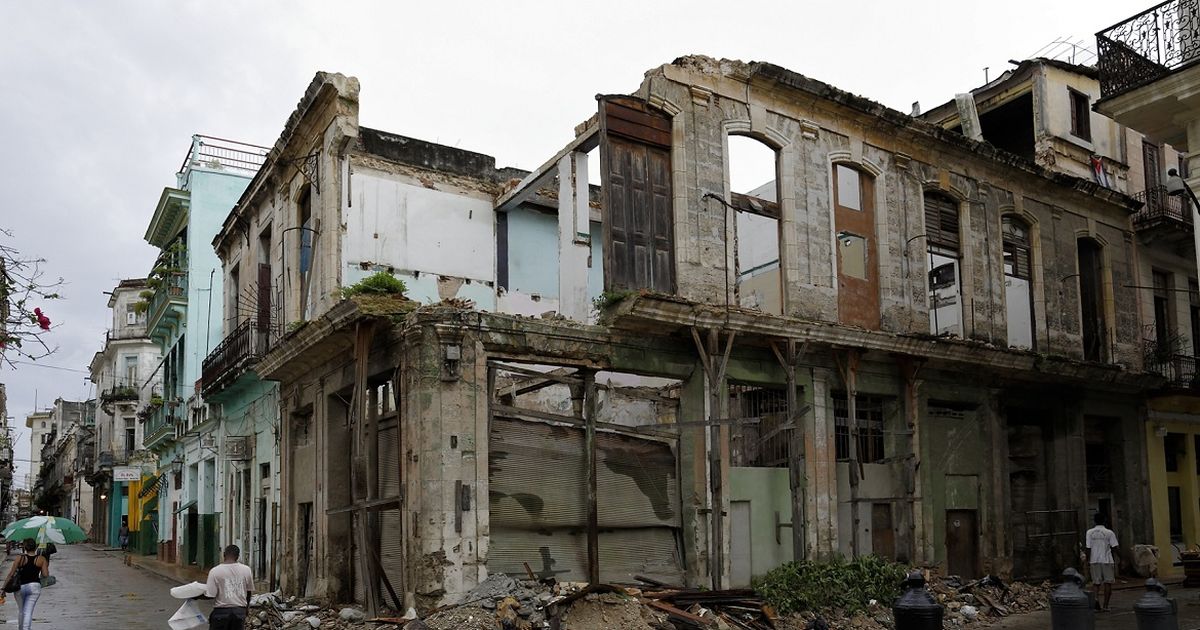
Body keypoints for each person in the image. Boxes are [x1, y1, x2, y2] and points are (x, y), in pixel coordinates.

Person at [2, 538, 49, 630]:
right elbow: (45, 575)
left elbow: (11, 574)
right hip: (34, 587)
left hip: (20, 587)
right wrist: (45, 564)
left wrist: (3, 588)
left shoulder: (20, 558)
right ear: (35, 547)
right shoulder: (41, 559)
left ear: (24, 547)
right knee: (28, 611)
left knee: (21, 611)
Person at [204, 544, 253, 630]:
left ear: (224, 554)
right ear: (238, 556)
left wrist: (196, 596)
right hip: (239, 612)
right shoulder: (246, 570)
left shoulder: (215, 571)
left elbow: (210, 595)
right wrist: (246, 608)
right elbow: (248, 592)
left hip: (221, 613)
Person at [1086, 512, 1119, 612]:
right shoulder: (1109, 533)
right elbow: (1115, 547)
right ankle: (1105, 606)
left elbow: (1088, 548)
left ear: (1094, 521)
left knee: (1096, 583)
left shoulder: (1089, 532)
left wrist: (1088, 560)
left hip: (1094, 560)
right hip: (1107, 560)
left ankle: (1096, 600)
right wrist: (1120, 558)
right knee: (1108, 583)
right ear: (1104, 520)